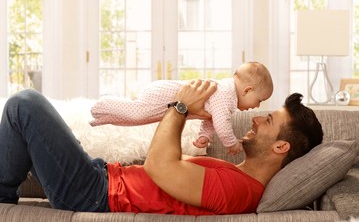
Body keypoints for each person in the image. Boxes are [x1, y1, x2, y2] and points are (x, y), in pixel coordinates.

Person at [0, 80, 323, 215]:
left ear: (281, 146)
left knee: (24, 104)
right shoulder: (235, 174)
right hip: (102, 178)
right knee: (25, 124)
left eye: (267, 121)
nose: (254, 121)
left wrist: (179, 108)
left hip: (95, 195)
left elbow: (159, 166)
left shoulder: (239, 189)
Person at [90, 62, 274, 155]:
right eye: (258, 100)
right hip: (164, 94)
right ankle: (103, 103)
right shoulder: (226, 93)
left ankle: (102, 117)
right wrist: (232, 143)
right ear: (247, 90)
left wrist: (205, 136)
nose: (257, 106)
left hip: (170, 99)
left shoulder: (226, 99)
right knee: (138, 112)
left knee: (136, 119)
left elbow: (209, 119)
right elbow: (221, 123)